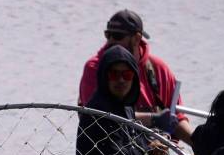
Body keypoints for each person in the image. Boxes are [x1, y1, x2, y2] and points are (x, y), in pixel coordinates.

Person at [78, 9, 192, 144]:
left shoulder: (158, 68)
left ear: (137, 38)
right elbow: (103, 117)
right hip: (111, 148)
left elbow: (175, 119)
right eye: (108, 35)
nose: (110, 41)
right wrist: (155, 119)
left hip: (157, 154)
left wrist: (200, 146)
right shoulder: (95, 68)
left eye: (118, 36)